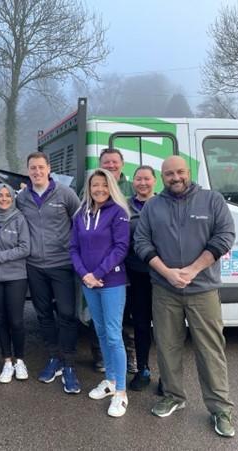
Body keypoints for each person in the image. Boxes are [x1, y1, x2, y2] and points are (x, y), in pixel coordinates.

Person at [134, 156, 236, 438]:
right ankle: (173, 396)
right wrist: (166, 272)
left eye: (179, 172)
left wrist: (192, 270)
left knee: (210, 350)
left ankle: (220, 409)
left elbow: (225, 236)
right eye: (169, 173)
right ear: (162, 177)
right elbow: (141, 242)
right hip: (165, 289)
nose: (175, 177)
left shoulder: (212, 200)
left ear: (188, 172)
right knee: (167, 347)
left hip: (202, 289)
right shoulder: (153, 206)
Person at [16, 151, 82, 394]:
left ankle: (69, 363)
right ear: (28, 170)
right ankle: (53, 357)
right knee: (43, 313)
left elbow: (80, 223)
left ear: (49, 169)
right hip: (34, 265)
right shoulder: (22, 197)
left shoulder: (65, 194)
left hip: (62, 263)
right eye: (32, 168)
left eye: (41, 167)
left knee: (66, 313)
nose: (37, 172)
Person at [70, 168, 130, 417]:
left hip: (111, 281)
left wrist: (98, 273)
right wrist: (84, 274)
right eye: (95, 185)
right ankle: (110, 381)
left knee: (114, 335)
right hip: (89, 282)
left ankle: (122, 393)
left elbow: (121, 247)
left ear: (111, 187)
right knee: (101, 331)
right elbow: (73, 247)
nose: (99, 190)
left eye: (104, 185)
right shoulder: (80, 214)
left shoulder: (118, 213)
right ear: (89, 187)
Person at [91, 147, 137, 374]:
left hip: (126, 263)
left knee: (121, 317)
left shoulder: (131, 188)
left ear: (122, 164)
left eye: (114, 162)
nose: (110, 165)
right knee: (99, 319)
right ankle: (101, 358)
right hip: (97, 270)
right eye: (106, 162)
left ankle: (127, 360)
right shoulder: (90, 191)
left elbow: (121, 243)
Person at [0, 183, 30, 383]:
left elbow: (25, 248)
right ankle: (7, 361)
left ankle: (20, 360)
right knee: (0, 320)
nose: (3, 199)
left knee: (16, 321)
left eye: (7, 195)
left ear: (12, 198)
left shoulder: (19, 219)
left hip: (16, 277)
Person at [125, 166, 156, 391]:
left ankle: (168, 378)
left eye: (146, 178)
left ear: (155, 181)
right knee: (141, 324)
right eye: (138, 179)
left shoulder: (164, 203)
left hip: (162, 275)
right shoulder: (124, 205)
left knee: (167, 328)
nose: (142, 183)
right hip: (136, 274)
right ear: (133, 182)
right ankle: (143, 370)